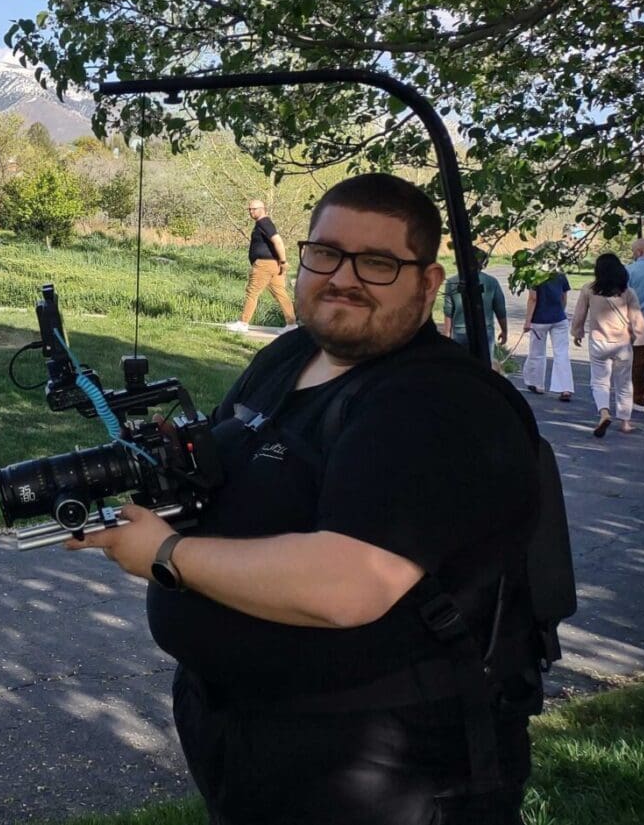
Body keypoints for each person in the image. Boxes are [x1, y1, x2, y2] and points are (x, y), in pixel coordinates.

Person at [71, 174, 539, 823]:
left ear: (428, 283)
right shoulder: (291, 354)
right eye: (326, 253)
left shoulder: (437, 402)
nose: (342, 277)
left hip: (381, 765)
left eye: (377, 262)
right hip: (252, 737)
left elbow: (347, 582)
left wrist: (166, 552)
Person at [570, 252, 644, 437]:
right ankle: (625, 422)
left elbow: (579, 314)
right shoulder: (627, 292)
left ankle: (604, 413)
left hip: (598, 342)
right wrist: (643, 341)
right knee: (623, 383)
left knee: (599, 381)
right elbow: (637, 319)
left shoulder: (588, 289)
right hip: (622, 343)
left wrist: (577, 333)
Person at [230, 198, 294, 332]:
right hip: (273, 265)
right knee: (280, 294)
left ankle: (243, 323)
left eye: (253, 209)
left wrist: (283, 261)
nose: (250, 212)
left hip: (264, 265)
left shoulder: (264, 223)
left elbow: (278, 241)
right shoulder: (263, 223)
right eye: (249, 209)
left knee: (252, 292)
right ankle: (291, 325)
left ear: (262, 209)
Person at [441, 248, 509, 363]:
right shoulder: (492, 282)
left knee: (462, 367)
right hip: (485, 331)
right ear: (482, 263)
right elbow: (500, 309)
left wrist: (447, 333)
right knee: (484, 367)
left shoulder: (452, 283)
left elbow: (448, 311)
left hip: (459, 332)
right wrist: (504, 331)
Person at [518, 268, 574, 400]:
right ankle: (565, 388)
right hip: (559, 319)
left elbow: (533, 299)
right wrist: (560, 311)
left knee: (537, 352)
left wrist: (527, 321)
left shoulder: (534, 276)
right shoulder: (560, 275)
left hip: (539, 320)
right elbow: (563, 298)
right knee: (561, 353)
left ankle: (537, 384)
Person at [627, 238, 644, 407]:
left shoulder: (629, 271)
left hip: (640, 325)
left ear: (639, 252)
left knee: (639, 364)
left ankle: (639, 398)